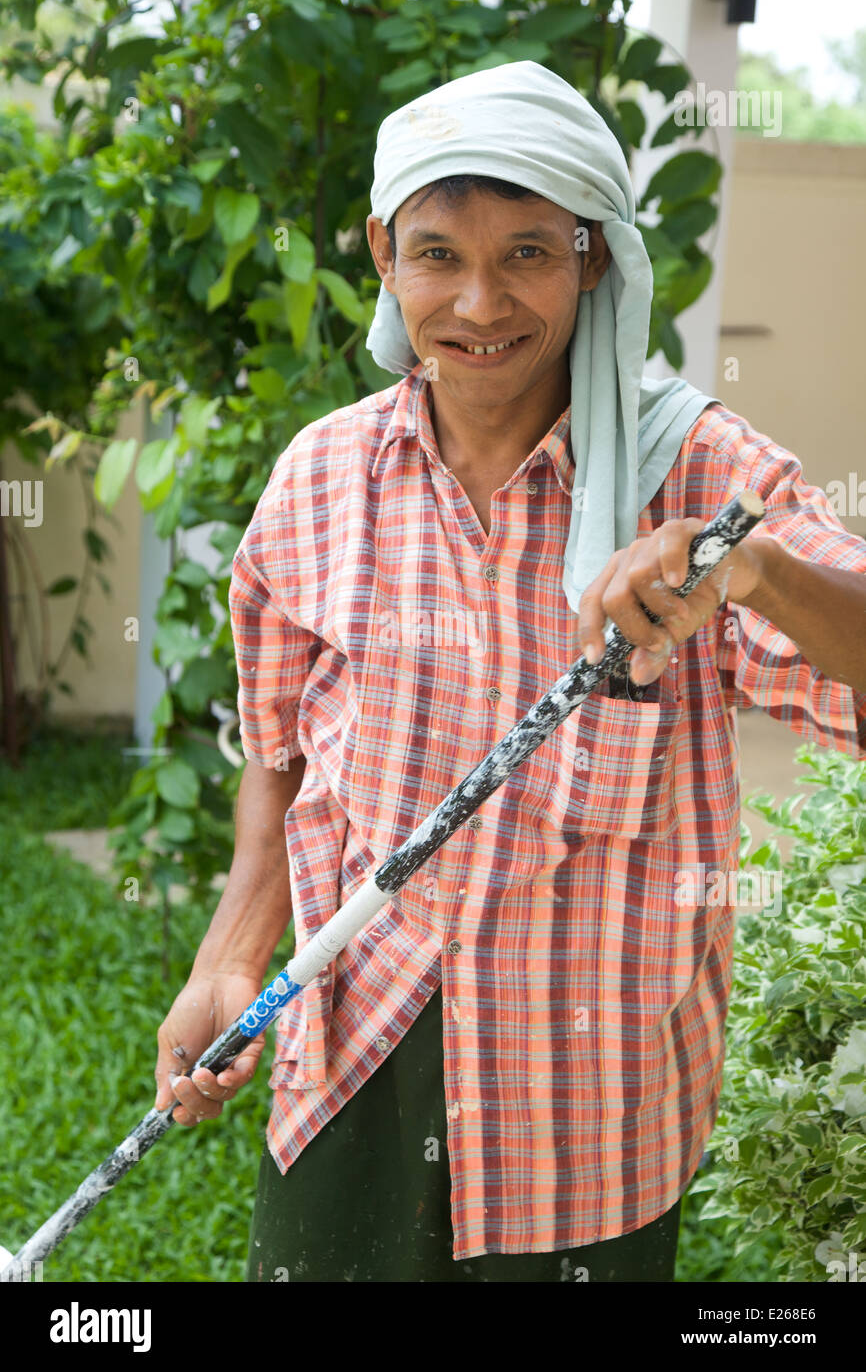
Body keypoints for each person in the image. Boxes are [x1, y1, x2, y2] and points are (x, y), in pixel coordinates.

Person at [153, 62, 866, 1282]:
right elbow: (279, 756)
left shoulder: (697, 479)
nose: (479, 303)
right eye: (436, 253)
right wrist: (229, 959)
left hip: (584, 1111)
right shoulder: (321, 482)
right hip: (348, 1050)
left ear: (593, 257)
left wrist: (754, 578)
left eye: (528, 253)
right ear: (382, 251)